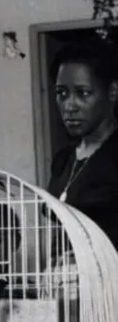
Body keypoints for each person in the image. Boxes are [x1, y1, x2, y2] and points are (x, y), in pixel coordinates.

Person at [47, 42, 118, 246]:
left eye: (83, 93)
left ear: (112, 92)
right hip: (66, 276)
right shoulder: (63, 160)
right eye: (61, 93)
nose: (69, 106)